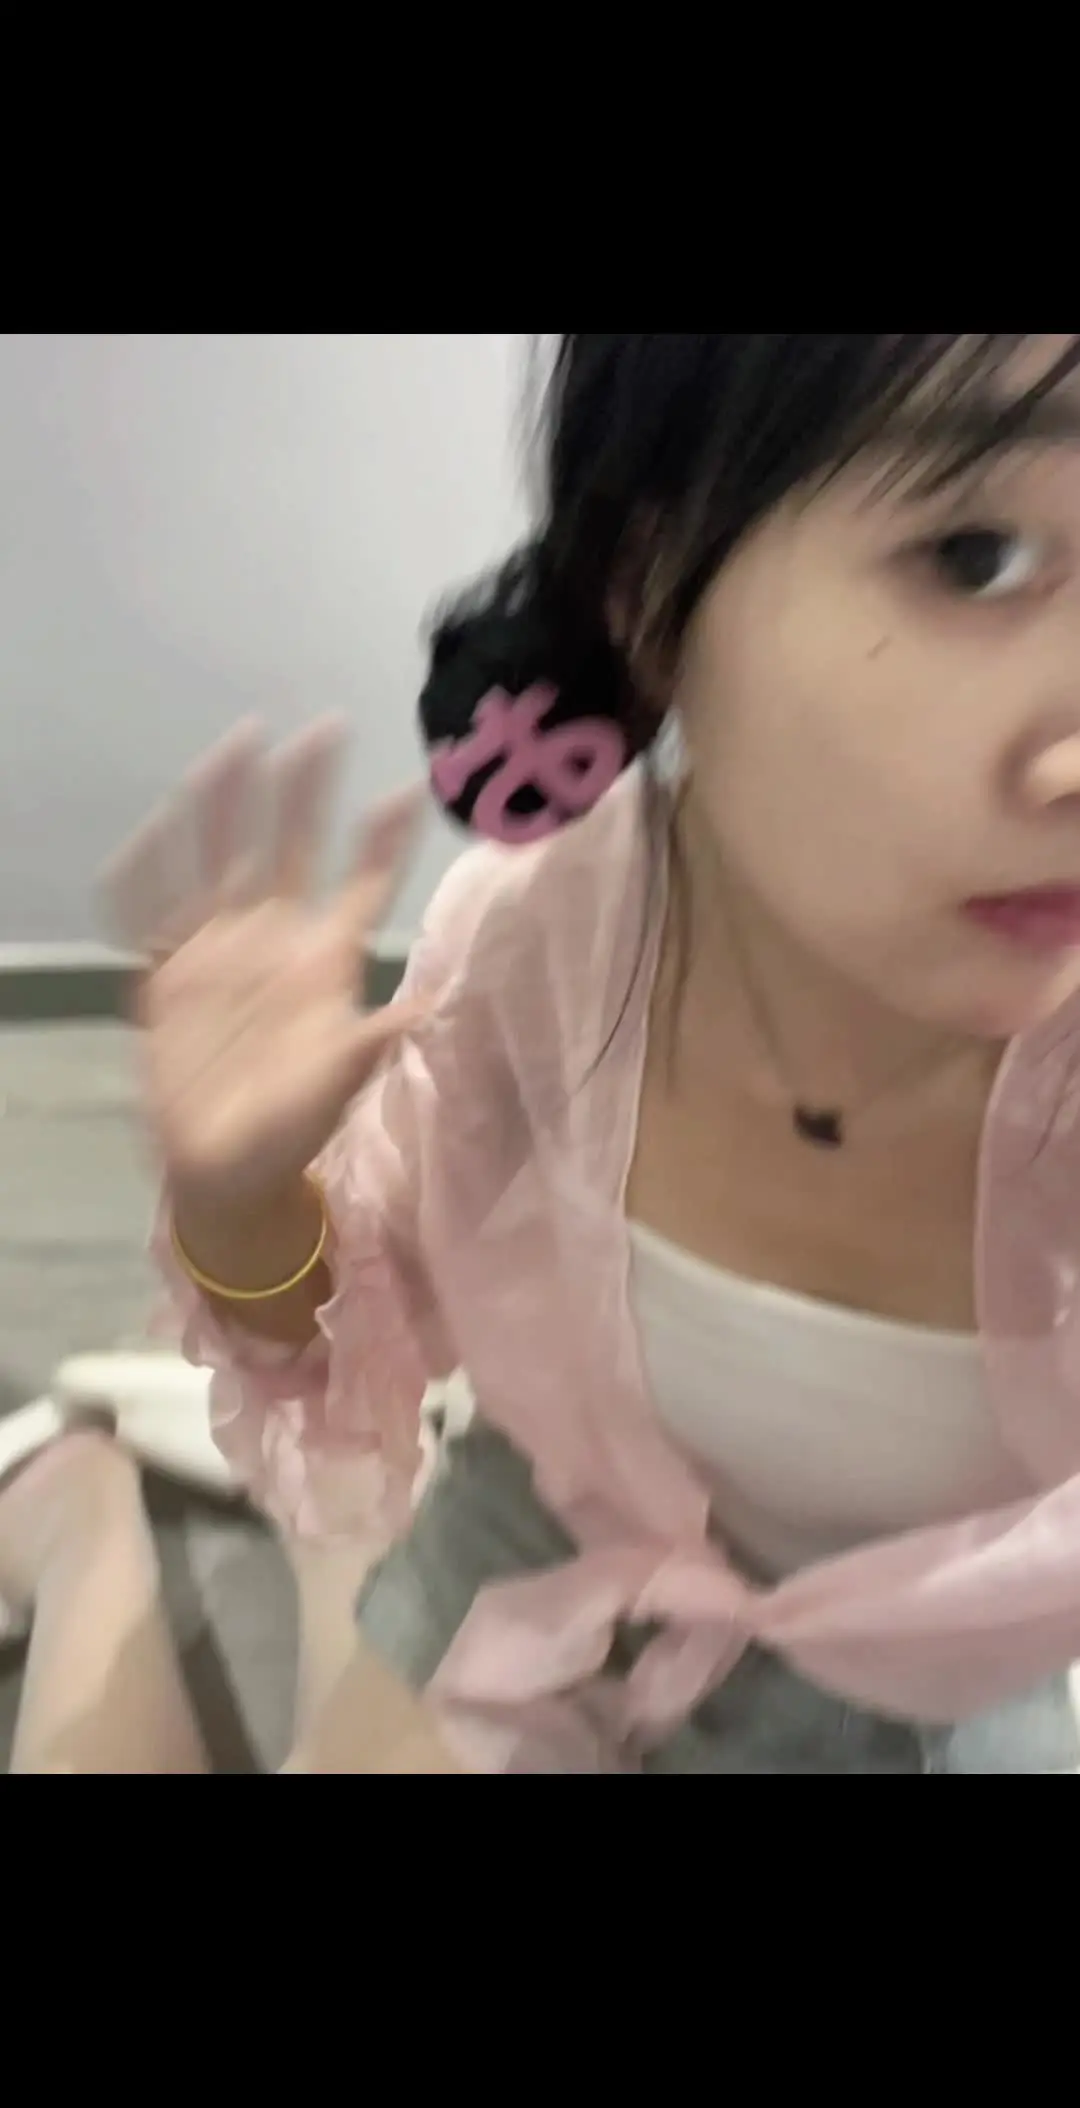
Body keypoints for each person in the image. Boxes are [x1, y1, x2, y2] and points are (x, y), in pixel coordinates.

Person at [9, 331, 1080, 1773]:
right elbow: (335, 1336)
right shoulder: (541, 956)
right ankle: (88, 1526)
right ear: (648, 592)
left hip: (937, 1662)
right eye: (974, 558)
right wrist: (236, 1200)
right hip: (554, 1549)